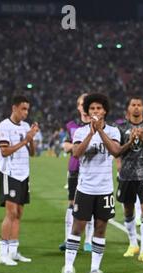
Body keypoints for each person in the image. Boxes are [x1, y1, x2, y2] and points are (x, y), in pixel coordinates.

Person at [60, 93, 121, 273]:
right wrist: (91, 133)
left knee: (101, 229)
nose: (95, 111)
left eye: (99, 108)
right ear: (87, 111)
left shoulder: (113, 131)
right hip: (85, 188)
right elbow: (76, 153)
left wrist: (100, 132)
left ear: (105, 111)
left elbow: (116, 151)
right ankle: (68, 269)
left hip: (105, 189)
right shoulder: (79, 132)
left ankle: (95, 269)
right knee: (77, 228)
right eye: (92, 109)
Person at [116, 97, 143, 262]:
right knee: (128, 211)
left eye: (139, 105)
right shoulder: (120, 127)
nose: (136, 108)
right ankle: (133, 243)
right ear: (128, 108)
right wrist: (130, 141)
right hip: (126, 176)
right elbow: (117, 151)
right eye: (133, 105)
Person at [0, 95, 39, 266]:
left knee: (19, 214)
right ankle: (2, 253)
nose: (25, 113)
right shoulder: (4, 126)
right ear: (14, 108)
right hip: (10, 173)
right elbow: (5, 152)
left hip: (24, 174)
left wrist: (32, 138)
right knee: (11, 213)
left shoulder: (26, 126)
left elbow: (32, 153)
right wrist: (25, 139)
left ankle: (13, 251)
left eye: (27, 110)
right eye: (23, 109)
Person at [59, 94, 94, 253]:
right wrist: (77, 147)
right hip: (74, 169)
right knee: (72, 204)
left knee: (91, 205)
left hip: (92, 170)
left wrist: (75, 147)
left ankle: (88, 240)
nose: (84, 106)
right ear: (79, 107)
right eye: (82, 104)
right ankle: (67, 239)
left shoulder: (98, 125)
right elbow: (65, 145)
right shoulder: (72, 125)